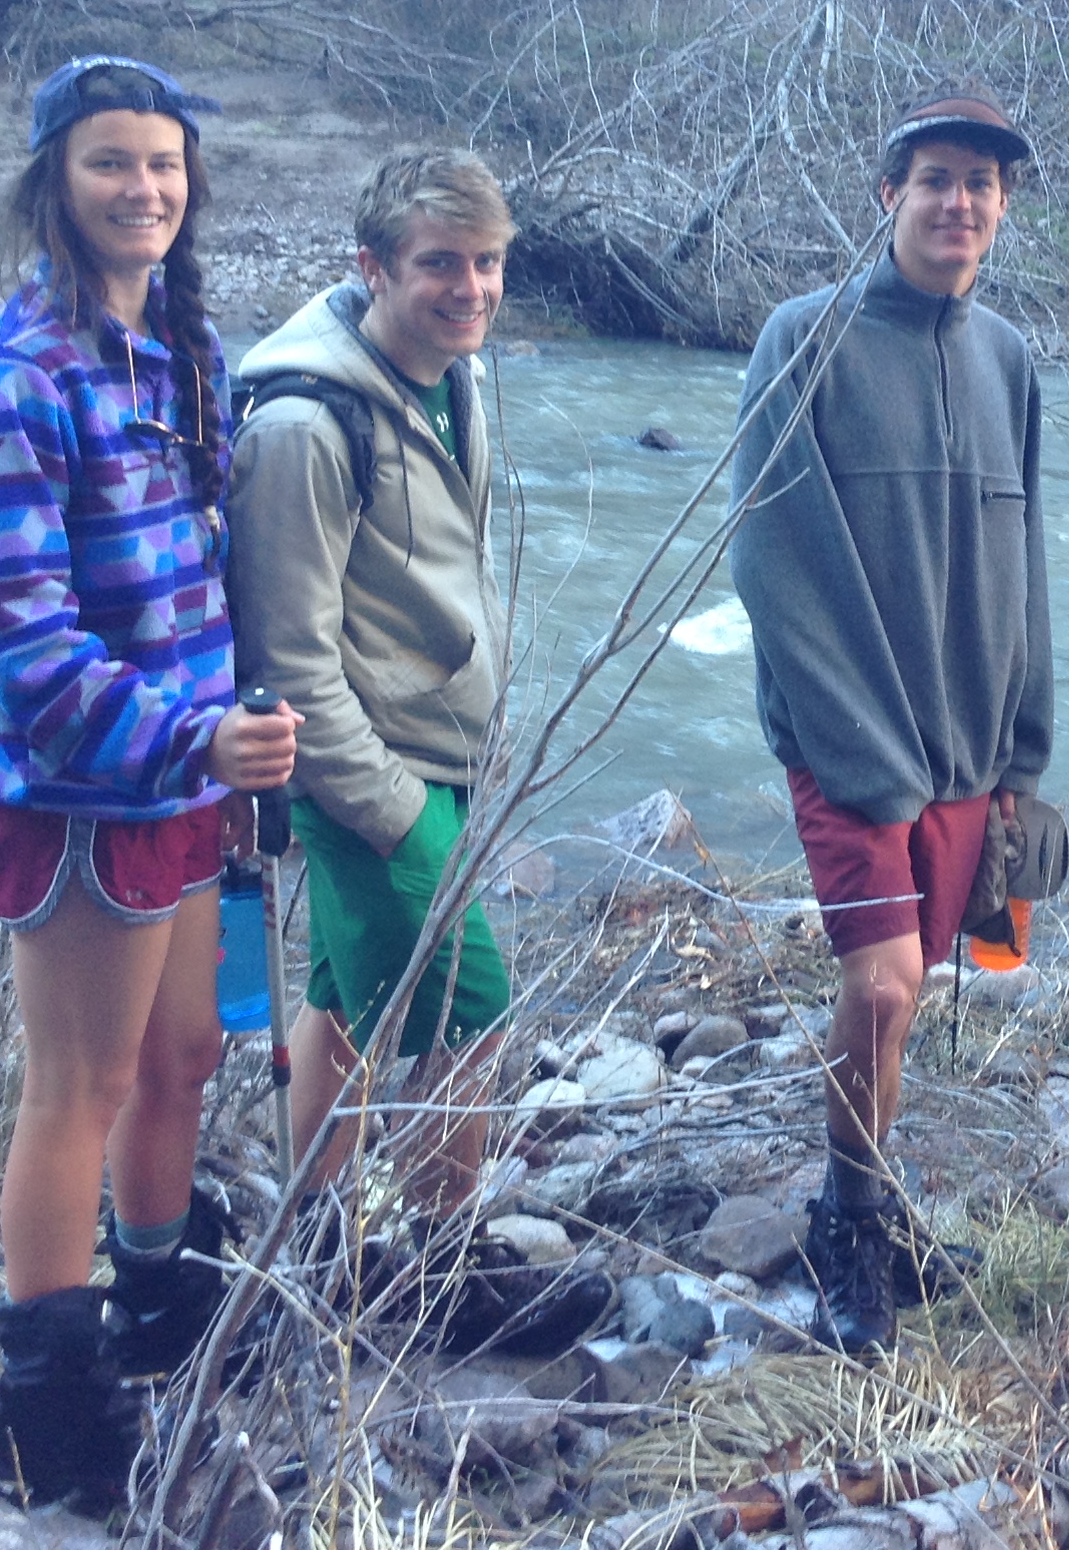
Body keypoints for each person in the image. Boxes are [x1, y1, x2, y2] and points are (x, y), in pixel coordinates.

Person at [0, 56, 301, 1514]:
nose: (143, 188)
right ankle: (47, 1412)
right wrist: (191, 742)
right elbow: (22, 654)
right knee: (75, 1089)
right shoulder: (10, 384)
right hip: (78, 795)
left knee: (184, 1064)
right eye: (110, 164)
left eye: (164, 164)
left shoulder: (182, 355)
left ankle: (157, 1298)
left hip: (185, 788)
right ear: (53, 183)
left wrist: (230, 747)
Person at [225, 149, 609, 1357]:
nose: (473, 286)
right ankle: (442, 1271)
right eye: (441, 262)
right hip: (362, 772)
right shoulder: (305, 423)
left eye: (489, 262)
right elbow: (289, 656)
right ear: (373, 265)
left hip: (429, 750)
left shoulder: (451, 377)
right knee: (468, 1002)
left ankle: (319, 1247)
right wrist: (390, 806)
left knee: (340, 1005)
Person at [729, 82, 1053, 1357]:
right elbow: (773, 555)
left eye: (982, 184)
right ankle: (847, 1223)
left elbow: (1025, 559)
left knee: (912, 999)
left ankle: (870, 1196)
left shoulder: (1008, 356)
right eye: (936, 180)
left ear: (1000, 208)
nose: (959, 203)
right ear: (888, 197)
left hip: (973, 746)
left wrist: (1022, 752)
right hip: (850, 742)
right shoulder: (802, 336)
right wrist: (866, 751)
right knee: (882, 984)